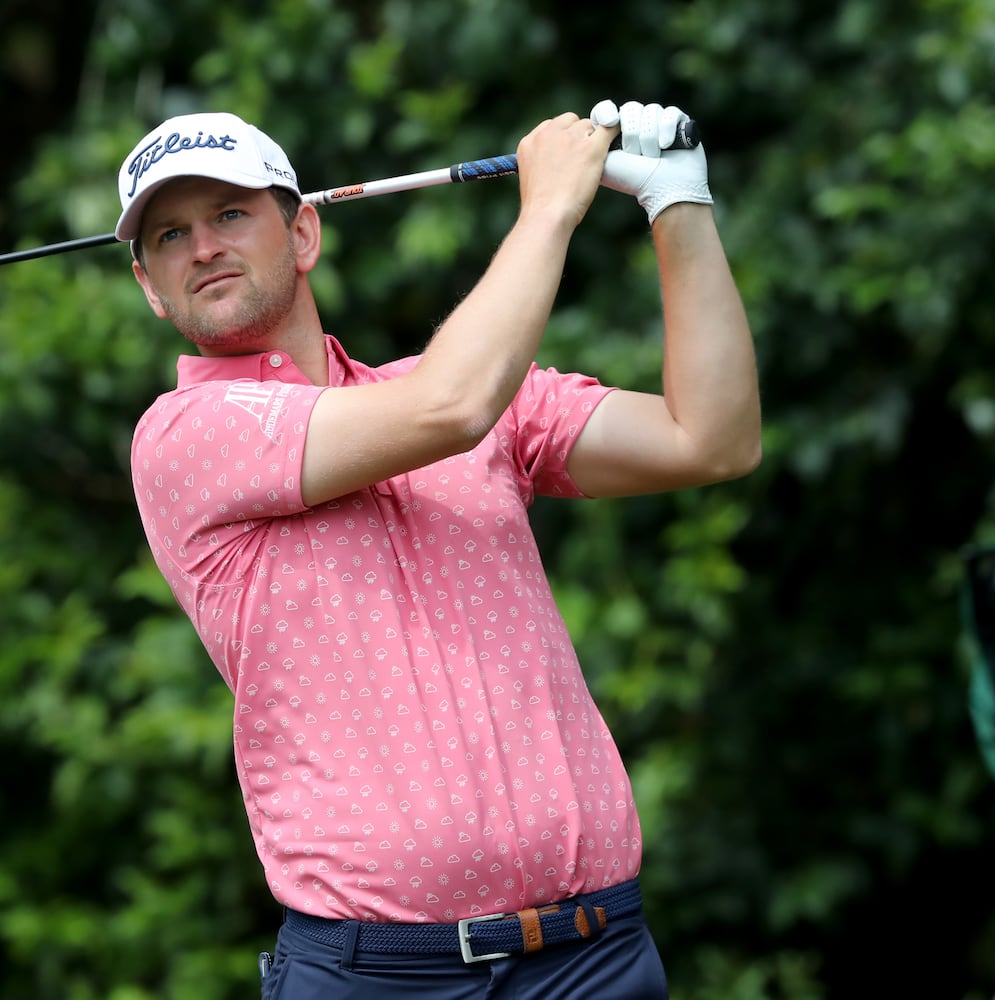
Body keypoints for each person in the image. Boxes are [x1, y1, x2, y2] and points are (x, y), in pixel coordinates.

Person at [116, 100, 760, 998]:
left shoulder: (453, 390)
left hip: (594, 957)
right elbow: (450, 410)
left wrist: (677, 206)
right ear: (149, 285)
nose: (202, 246)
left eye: (229, 214)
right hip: (381, 978)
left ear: (303, 232)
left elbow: (712, 439)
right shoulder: (186, 434)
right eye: (169, 235)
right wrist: (547, 210)